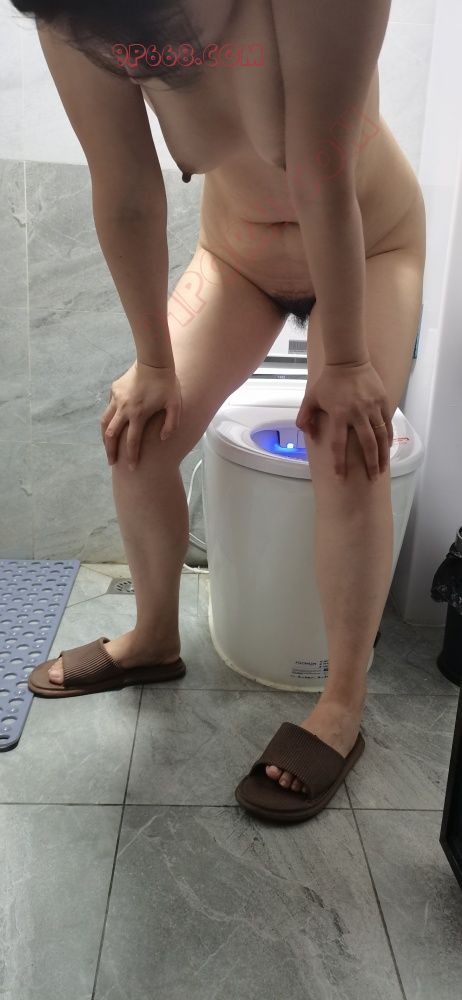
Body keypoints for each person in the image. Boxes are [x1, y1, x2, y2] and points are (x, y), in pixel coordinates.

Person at [15, 0, 426, 823]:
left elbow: (323, 171)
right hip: (237, 256)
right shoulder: (77, 13)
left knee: (346, 445)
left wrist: (347, 363)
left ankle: (341, 704)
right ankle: (153, 638)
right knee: (139, 436)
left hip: (370, 243)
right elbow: (125, 187)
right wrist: (153, 365)